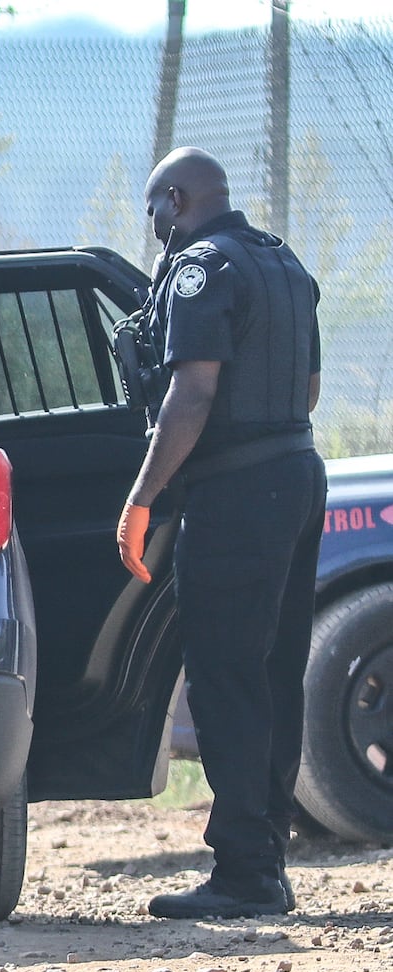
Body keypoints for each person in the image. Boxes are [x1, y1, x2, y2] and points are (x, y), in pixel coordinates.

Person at [115, 148, 325, 919]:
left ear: (177, 198)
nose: (156, 230)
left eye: (155, 213)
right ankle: (265, 859)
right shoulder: (282, 261)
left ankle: (244, 875)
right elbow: (307, 388)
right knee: (271, 674)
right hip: (298, 474)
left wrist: (142, 496)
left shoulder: (202, 268)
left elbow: (192, 393)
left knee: (226, 677)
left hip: (236, 490)